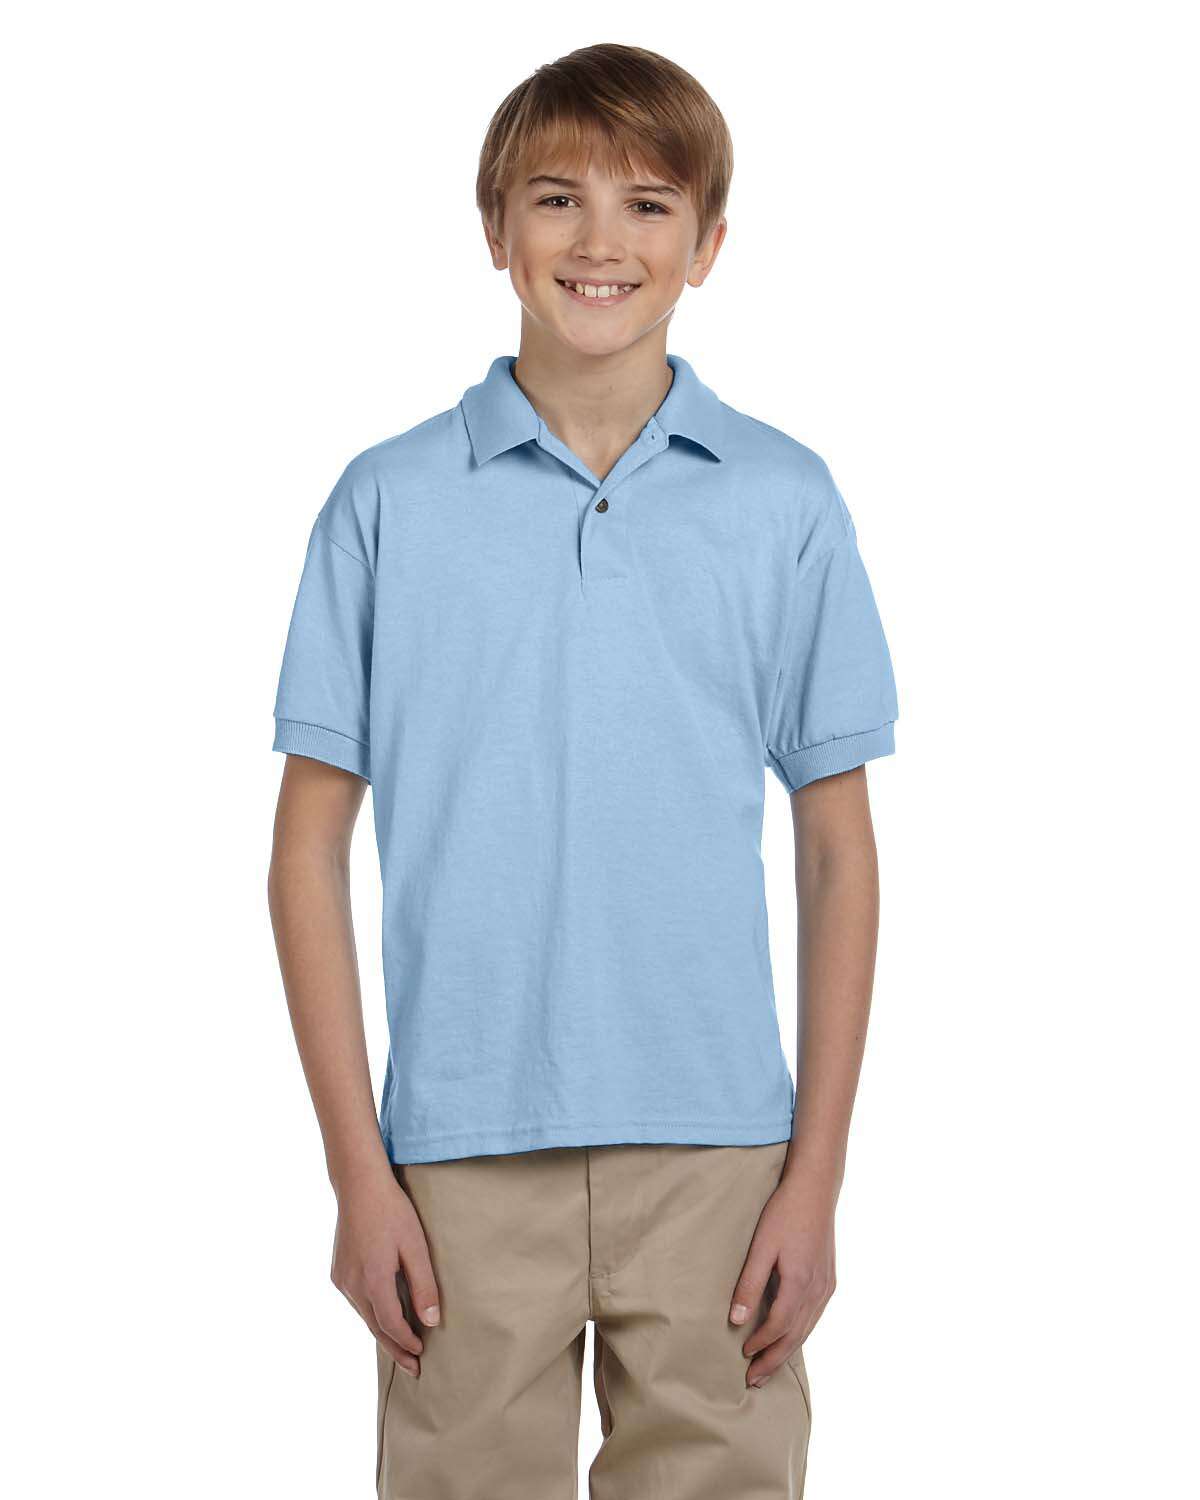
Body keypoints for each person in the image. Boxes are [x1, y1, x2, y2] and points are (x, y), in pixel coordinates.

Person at [267, 41, 898, 1500]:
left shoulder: (786, 502)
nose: (600, 240)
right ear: (495, 230)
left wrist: (816, 1175)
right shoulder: (385, 502)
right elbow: (305, 852)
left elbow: (837, 851)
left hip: (722, 1149)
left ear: (709, 244)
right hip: (460, 1146)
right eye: (557, 198)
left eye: (649, 203)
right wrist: (357, 1172)